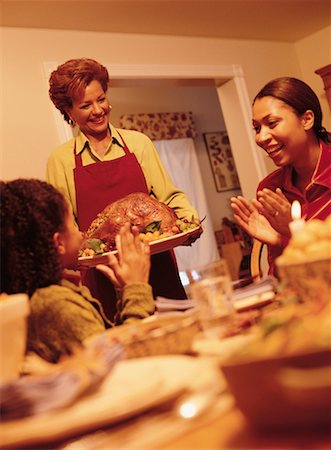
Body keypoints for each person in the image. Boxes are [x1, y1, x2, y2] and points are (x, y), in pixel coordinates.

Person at [46, 58, 201, 319]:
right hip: (101, 278)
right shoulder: (60, 160)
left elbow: (169, 197)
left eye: (101, 99)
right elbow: (62, 226)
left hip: (157, 267)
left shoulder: (138, 143)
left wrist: (189, 223)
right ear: (69, 112)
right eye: (86, 105)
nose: (98, 110)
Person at [0, 179, 155, 363]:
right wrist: (137, 289)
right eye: (72, 224)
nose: (81, 233)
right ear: (59, 243)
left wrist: (125, 294)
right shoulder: (56, 305)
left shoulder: (45, 295)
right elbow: (119, 362)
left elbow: (107, 343)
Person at [231, 77, 331, 275]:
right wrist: (279, 241)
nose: (261, 137)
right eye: (257, 128)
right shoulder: (269, 188)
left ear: (307, 119)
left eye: (272, 123)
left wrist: (294, 233)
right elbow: (281, 280)